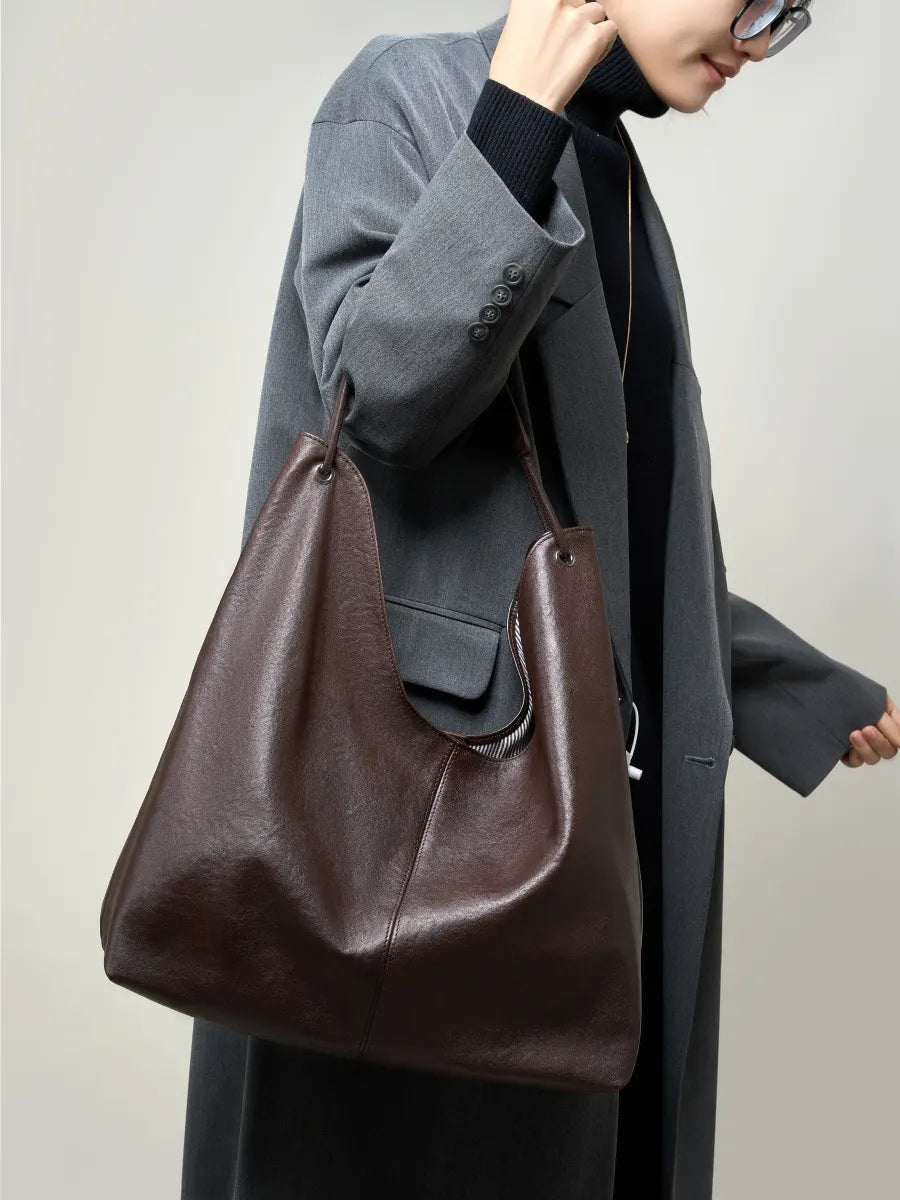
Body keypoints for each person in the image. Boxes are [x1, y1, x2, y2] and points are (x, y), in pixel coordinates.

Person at [180, 3, 897, 1198]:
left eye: (794, 16)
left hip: (579, 831)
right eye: (753, 1)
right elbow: (384, 394)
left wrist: (800, 693)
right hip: (408, 839)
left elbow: (601, 535)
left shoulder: (615, 176)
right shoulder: (409, 94)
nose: (759, 43)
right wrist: (511, 126)